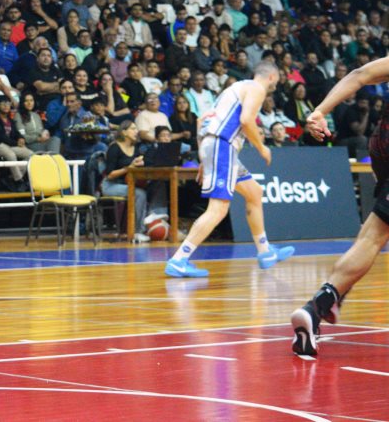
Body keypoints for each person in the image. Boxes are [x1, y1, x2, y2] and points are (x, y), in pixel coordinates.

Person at [291, 55, 389, 355]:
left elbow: (360, 74)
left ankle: (324, 303)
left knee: (373, 234)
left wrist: (320, 111)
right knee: (375, 235)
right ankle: (322, 302)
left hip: (382, 141)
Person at [164, 61, 295, 278]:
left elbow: (202, 120)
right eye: (278, 78)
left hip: (217, 147)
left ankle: (265, 251)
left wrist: (204, 159)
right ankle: (179, 259)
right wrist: (262, 147)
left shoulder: (233, 89)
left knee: (254, 193)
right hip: (221, 147)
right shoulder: (256, 88)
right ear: (272, 76)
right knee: (218, 209)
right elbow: (246, 120)